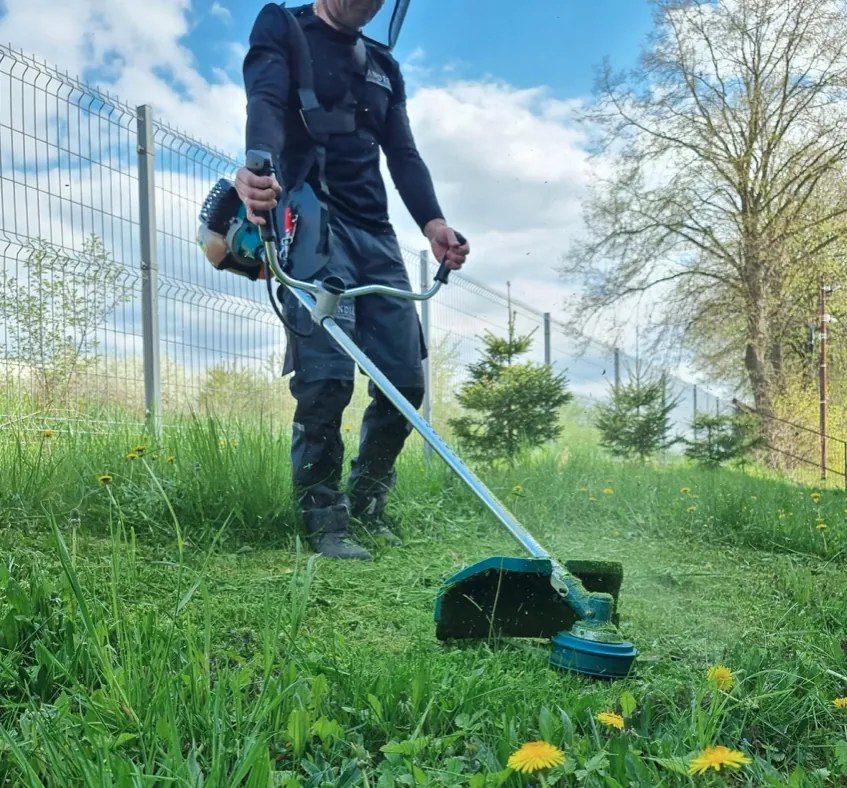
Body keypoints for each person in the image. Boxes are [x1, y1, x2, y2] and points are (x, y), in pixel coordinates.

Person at [235, 0, 470, 560]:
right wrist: (257, 165)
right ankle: (323, 516)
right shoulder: (284, 27)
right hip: (309, 212)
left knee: (405, 381)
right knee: (327, 374)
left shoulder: (384, 66)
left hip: (376, 232)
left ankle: (368, 501)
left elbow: (404, 153)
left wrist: (433, 221)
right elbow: (265, 100)